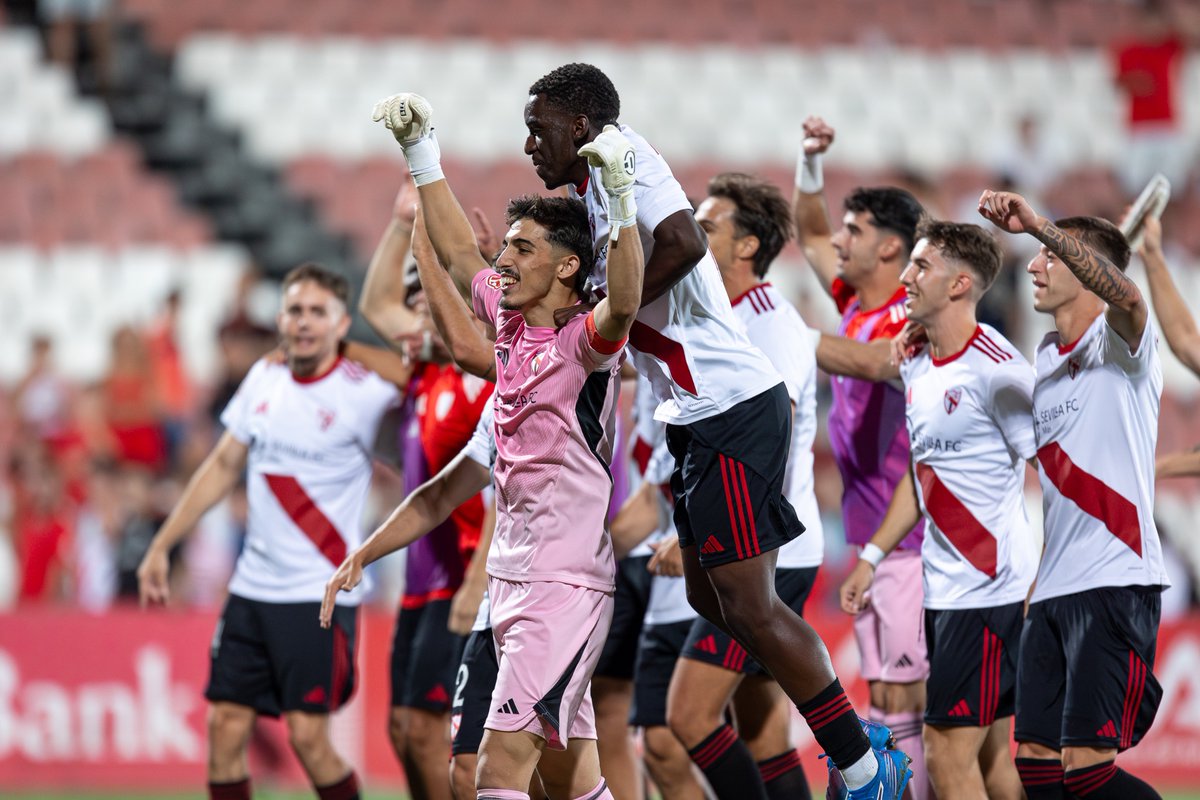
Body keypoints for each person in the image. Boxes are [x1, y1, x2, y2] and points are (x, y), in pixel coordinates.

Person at [522, 62, 908, 800]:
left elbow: (684, 244)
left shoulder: (624, 155)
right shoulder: (592, 187)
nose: (529, 144)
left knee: (753, 608)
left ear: (579, 125)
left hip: (729, 407)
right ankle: (858, 738)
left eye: (539, 129)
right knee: (716, 602)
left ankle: (865, 769)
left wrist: (608, 306)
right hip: (694, 418)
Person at [373, 92, 643, 800]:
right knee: (572, 777)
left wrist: (619, 205)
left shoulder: (586, 345)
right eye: (508, 246)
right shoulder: (510, 327)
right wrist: (421, 151)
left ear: (563, 269)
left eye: (522, 248)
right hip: (510, 583)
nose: (503, 259)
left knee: (494, 772)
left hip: (565, 589)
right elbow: (463, 251)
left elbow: (623, 295)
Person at [137, 264, 407, 800]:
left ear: (341, 324)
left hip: (318, 594)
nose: (303, 322)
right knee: (224, 730)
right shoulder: (263, 377)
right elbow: (220, 465)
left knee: (308, 739)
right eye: (295, 310)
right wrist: (163, 544)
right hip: (251, 590)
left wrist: (357, 352)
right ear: (280, 318)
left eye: (317, 312)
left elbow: (423, 375)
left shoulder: (365, 393)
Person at [832, 221, 1037, 800]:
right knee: (994, 760)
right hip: (943, 593)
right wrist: (872, 556)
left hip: (989, 593)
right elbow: (924, 477)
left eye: (921, 267)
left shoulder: (999, 370)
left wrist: (1046, 578)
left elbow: (1050, 471)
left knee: (945, 758)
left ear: (960, 284)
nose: (905, 277)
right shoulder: (919, 361)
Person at [978, 190, 1169, 800]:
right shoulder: (1046, 358)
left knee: (1089, 775)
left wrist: (1038, 223)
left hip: (1114, 581)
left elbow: (1130, 298)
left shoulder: (1123, 345)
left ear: (1085, 265)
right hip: (1054, 588)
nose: (1034, 264)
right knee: (1034, 765)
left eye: (1049, 256)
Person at [659, 172, 822, 800]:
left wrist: (708, 525)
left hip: (765, 541)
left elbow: (761, 438)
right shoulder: (716, 317)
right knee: (761, 732)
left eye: (708, 227)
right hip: (760, 537)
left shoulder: (770, 323)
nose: (693, 237)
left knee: (689, 717)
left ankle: (863, 763)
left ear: (748, 245)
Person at [793, 116, 929, 797]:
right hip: (873, 534)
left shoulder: (913, 319)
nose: (839, 240)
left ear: (892, 248)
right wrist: (810, 163)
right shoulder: (854, 303)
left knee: (904, 703)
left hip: (910, 542)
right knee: (883, 697)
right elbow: (810, 232)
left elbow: (884, 370)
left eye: (857, 230)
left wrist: (778, 333)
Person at [359, 180, 494, 800]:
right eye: (418, 305)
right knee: (403, 728)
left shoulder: (484, 379)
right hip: (420, 578)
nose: (419, 316)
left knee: (439, 735)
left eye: (431, 304)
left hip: (462, 576)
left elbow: (501, 490)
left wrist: (474, 584)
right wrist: (398, 225)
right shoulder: (425, 372)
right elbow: (375, 304)